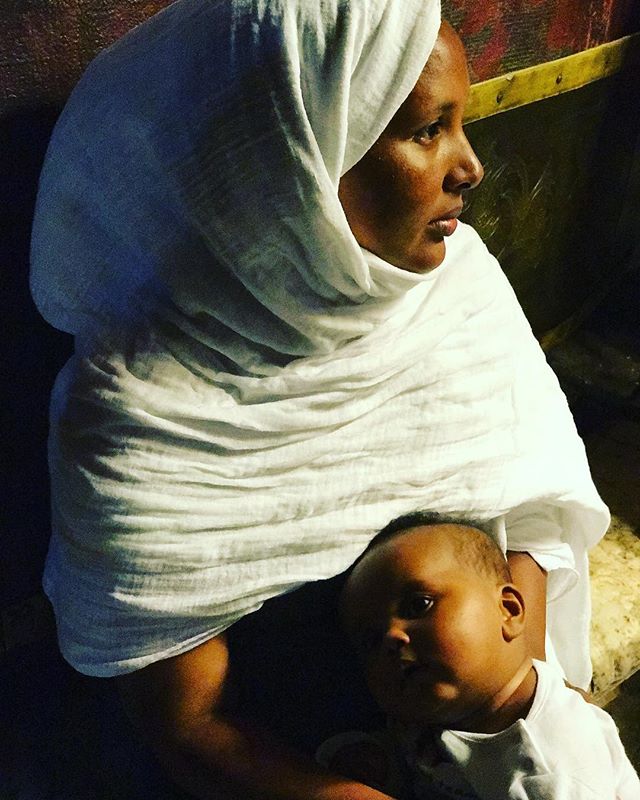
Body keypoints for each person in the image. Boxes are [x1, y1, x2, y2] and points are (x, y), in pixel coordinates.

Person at [29, 1, 610, 798]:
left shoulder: (451, 290)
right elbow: (196, 730)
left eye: (460, 124)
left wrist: (508, 717)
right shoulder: (138, 413)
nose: (470, 166)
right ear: (289, 164)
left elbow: (532, 517)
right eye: (426, 130)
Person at [334, 512, 640, 799]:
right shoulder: (446, 708)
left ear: (509, 610)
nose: (391, 637)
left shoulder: (548, 768)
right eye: (370, 641)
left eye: (419, 605)